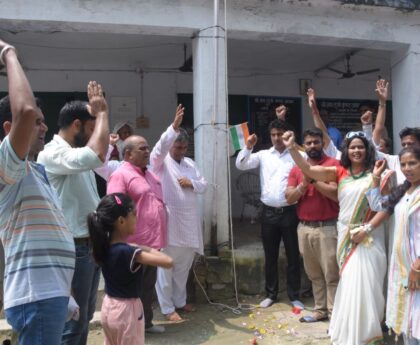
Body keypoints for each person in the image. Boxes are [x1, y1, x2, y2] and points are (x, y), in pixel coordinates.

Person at [282, 129, 395, 345]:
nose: (356, 150)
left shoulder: (379, 171)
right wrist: (291, 147)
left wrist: (367, 229)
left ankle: (369, 335)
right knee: (350, 284)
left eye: (360, 146)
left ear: (367, 149)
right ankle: (349, 332)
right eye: (352, 147)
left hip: (370, 237)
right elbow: (307, 168)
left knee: (370, 287)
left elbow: (383, 208)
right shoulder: (339, 171)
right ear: (346, 150)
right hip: (346, 237)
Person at [0, 39, 75, 345]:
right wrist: (8, 53)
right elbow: (26, 110)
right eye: (39, 124)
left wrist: (65, 292)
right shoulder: (7, 166)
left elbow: (50, 234)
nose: (44, 128)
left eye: (44, 123)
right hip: (37, 297)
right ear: (10, 129)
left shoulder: (37, 171)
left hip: (49, 294)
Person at [37, 81, 110, 345]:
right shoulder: (52, 154)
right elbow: (96, 155)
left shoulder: (73, 153)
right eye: (91, 129)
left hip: (89, 246)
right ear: (77, 125)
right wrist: (102, 113)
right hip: (72, 248)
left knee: (86, 317)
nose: (94, 135)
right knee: (72, 321)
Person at [107, 105, 184, 333]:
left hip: (152, 242)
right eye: (142, 149)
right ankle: (132, 329)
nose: (147, 151)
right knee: (133, 288)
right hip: (133, 244)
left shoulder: (148, 172)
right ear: (128, 154)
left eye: (148, 148)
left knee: (147, 287)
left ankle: (146, 324)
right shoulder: (121, 174)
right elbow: (114, 208)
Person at [87, 193, 173, 345]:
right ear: (121, 221)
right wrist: (139, 248)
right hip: (127, 311)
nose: (136, 219)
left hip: (109, 307)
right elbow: (167, 261)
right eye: (134, 215)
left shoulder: (105, 247)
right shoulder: (129, 252)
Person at [235, 116, 302, 309]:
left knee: (292, 255)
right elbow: (241, 164)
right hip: (268, 213)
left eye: (280, 134)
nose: (276, 138)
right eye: (273, 134)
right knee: (270, 255)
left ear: (287, 135)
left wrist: (294, 146)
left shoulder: (297, 155)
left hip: (290, 212)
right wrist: (248, 147)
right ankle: (271, 294)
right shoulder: (264, 155)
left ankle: (294, 295)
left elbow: (308, 169)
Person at [152, 125, 208, 322]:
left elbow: (204, 184)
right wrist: (172, 129)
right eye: (177, 147)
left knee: (183, 267)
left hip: (189, 223)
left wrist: (191, 183)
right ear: (170, 146)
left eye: (184, 147)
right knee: (165, 267)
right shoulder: (160, 162)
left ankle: (180, 301)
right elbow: (159, 149)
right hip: (169, 222)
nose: (181, 151)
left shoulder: (190, 164)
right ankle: (167, 308)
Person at [365, 146, 420, 345]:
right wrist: (376, 178)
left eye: (413, 163)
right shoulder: (404, 190)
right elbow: (377, 205)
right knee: (408, 320)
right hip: (403, 268)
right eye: (403, 164)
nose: (407, 168)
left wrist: (417, 267)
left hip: (416, 267)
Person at [286, 128, 340, 322]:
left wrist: (314, 180)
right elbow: (289, 197)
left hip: (327, 227)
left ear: (322, 143)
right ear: (304, 146)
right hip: (304, 228)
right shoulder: (296, 169)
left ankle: (335, 315)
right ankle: (319, 310)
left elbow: (335, 194)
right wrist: (303, 184)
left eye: (316, 142)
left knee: (331, 274)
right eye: (308, 143)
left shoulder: (333, 166)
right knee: (314, 273)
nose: (312, 146)